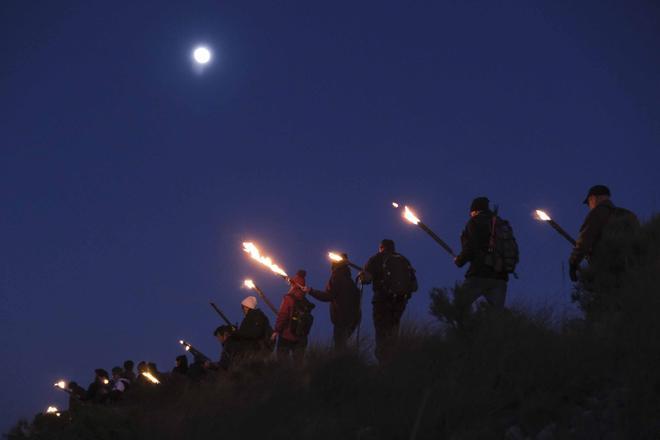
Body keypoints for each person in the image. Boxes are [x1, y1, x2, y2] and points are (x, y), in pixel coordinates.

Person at [453, 197, 517, 324]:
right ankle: (498, 341)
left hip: (479, 274)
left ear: (475, 211)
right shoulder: (500, 223)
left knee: (459, 307)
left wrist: (459, 260)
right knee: (497, 318)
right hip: (500, 276)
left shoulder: (474, 222)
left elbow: (471, 247)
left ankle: (465, 338)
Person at [569, 185, 640, 282]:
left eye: (589, 202)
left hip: (607, 269)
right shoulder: (628, 215)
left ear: (593, 198)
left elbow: (584, 241)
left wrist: (573, 263)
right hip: (633, 269)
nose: (589, 206)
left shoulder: (597, 213)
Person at [361, 239, 417, 362]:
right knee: (394, 330)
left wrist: (362, 276)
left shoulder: (376, 258)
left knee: (381, 331)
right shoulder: (403, 259)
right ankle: (394, 360)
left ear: (381, 247)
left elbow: (366, 279)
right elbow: (414, 286)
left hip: (381, 300)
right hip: (400, 302)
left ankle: (383, 363)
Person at [308, 253, 361, 350]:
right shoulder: (349, 279)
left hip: (341, 319)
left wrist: (311, 291)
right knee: (343, 346)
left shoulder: (336, 277)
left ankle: (340, 363)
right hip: (352, 319)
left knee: (339, 348)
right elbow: (357, 297)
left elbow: (328, 296)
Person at [272, 270, 314, 362]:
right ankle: (300, 376)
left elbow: (282, 316)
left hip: (287, 336)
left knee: (282, 364)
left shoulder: (289, 298)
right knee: (298, 365)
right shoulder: (304, 299)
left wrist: (276, 330)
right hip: (301, 337)